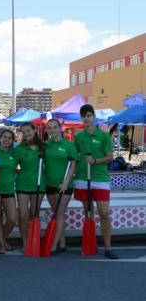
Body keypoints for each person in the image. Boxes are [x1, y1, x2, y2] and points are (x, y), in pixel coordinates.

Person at [73, 104, 117, 259]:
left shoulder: (104, 136)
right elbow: (74, 157)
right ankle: (90, 244)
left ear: (94, 117)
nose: (86, 118)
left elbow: (110, 157)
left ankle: (108, 248)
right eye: (83, 116)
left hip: (100, 179)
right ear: (81, 118)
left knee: (104, 213)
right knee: (88, 213)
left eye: (89, 115)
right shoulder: (78, 137)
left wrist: (95, 161)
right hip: (83, 179)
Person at [44, 119, 78, 254]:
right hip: (49, 184)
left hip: (64, 185)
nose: (52, 130)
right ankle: (63, 244)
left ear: (60, 128)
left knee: (58, 214)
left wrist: (65, 182)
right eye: (49, 128)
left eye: (54, 127)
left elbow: (73, 165)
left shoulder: (68, 145)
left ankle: (53, 245)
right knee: (58, 215)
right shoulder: (46, 145)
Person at [15, 122, 45, 251]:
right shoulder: (19, 149)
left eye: (29, 131)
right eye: (24, 132)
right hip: (23, 185)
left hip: (39, 184)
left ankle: (34, 240)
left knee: (34, 214)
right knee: (23, 215)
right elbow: (13, 167)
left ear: (34, 130)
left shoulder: (44, 147)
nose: (27, 134)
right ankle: (25, 242)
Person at [0, 129, 18, 253]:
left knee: (12, 219)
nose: (7, 139)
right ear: (0, 138)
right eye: (4, 137)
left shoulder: (14, 153)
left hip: (9, 189)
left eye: (9, 138)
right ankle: (2, 245)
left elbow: (19, 168)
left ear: (12, 141)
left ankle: (1, 239)